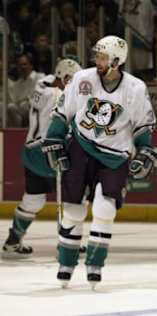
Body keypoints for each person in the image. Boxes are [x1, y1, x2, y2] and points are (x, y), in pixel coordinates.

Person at [42, 35, 157, 289]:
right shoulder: (83, 78)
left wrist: (145, 149)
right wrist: (54, 139)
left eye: (103, 57)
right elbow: (63, 112)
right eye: (98, 55)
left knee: (105, 209)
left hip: (115, 155)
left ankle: (95, 263)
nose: (98, 60)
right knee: (73, 210)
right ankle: (66, 262)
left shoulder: (135, 88)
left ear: (117, 61)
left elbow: (143, 125)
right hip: (80, 146)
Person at [2, 59, 82, 259]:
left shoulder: (42, 85)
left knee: (34, 198)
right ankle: (67, 243)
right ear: (64, 78)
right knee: (73, 196)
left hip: (31, 151)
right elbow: (53, 128)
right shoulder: (58, 97)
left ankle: (13, 240)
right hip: (48, 150)